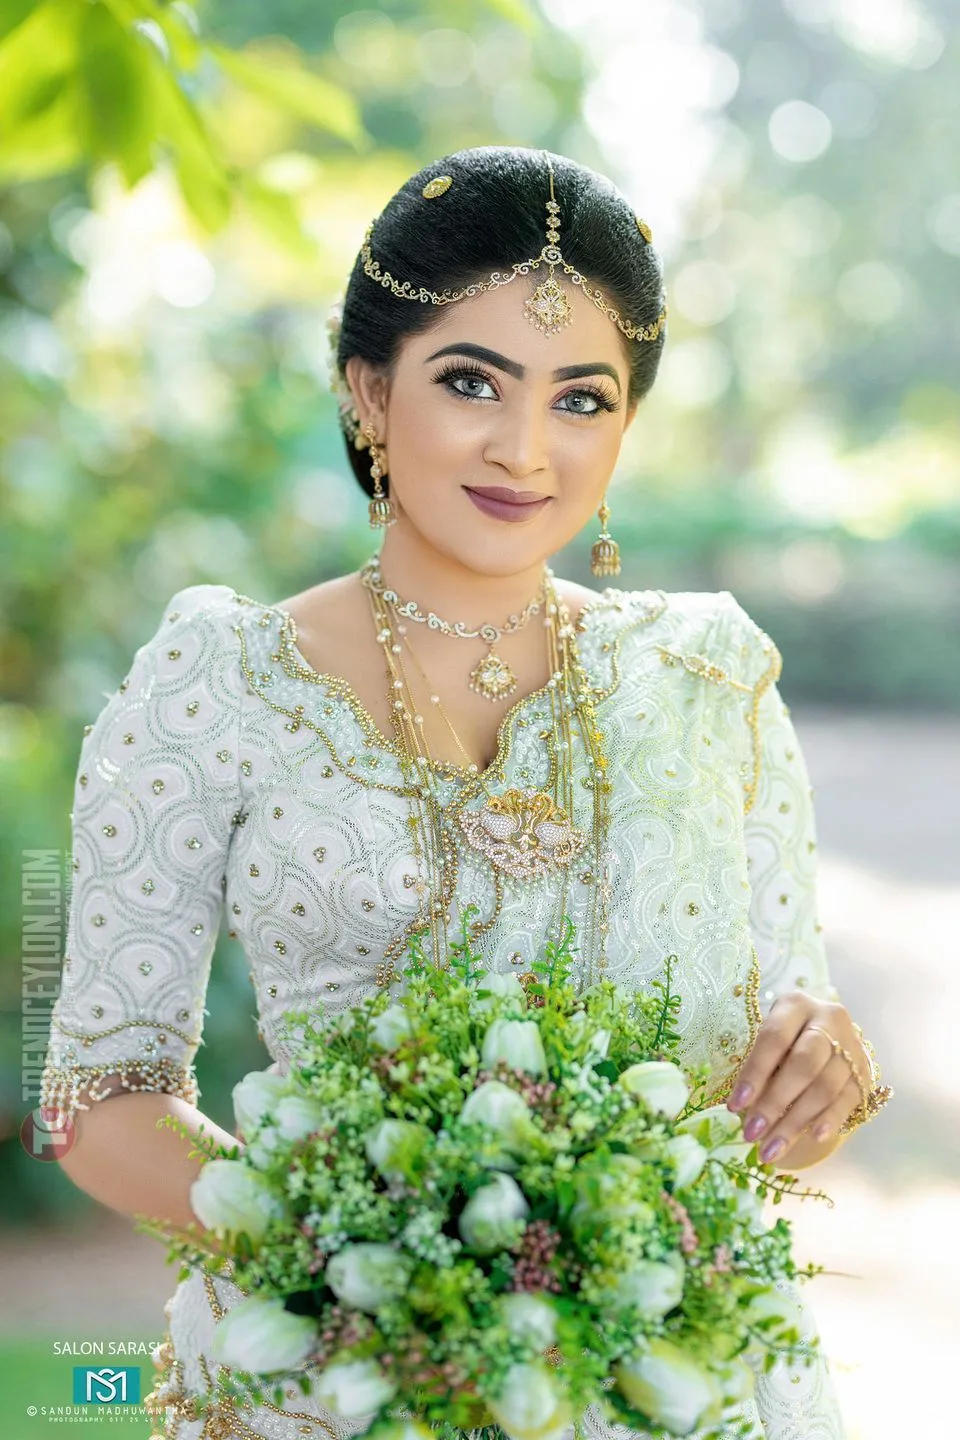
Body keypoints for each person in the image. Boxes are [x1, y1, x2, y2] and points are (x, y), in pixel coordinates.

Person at [41, 146, 890, 1440]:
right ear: (369, 389)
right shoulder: (214, 685)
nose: (524, 447)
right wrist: (357, 1259)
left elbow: (787, 1050)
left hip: (677, 1374)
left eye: (582, 400)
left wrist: (826, 1070)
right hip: (333, 1372)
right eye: (471, 382)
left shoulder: (706, 681)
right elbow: (98, 1101)